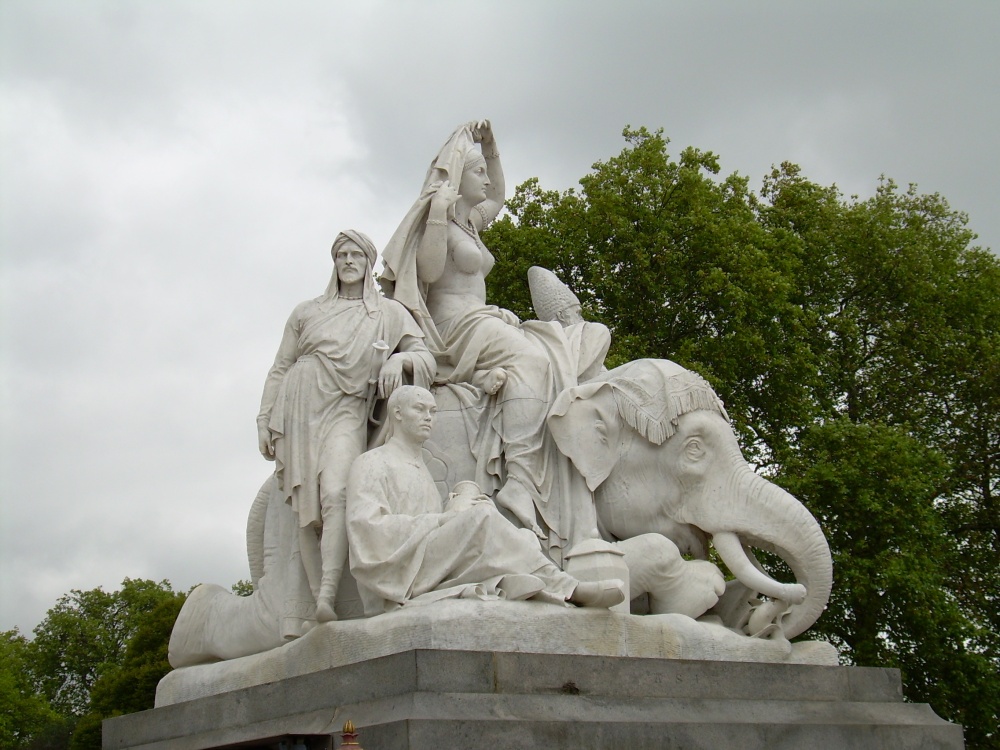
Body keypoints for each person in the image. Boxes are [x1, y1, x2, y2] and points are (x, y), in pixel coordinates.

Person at [380, 121, 552, 540]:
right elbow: (430, 271)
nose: (486, 178)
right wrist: (438, 213)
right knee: (533, 358)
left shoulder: (472, 221)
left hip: (481, 319)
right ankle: (521, 482)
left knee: (554, 345)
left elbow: (499, 196)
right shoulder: (438, 224)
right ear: (459, 178)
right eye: (478, 171)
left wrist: (490, 147)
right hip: (453, 326)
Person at [258, 230, 435, 623]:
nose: (349, 261)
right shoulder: (307, 311)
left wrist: (398, 362)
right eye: (342, 255)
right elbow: (280, 367)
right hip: (299, 404)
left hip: (347, 408)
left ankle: (327, 590)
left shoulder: (389, 313)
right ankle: (320, 602)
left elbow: (425, 356)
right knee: (304, 502)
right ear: (334, 262)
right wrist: (264, 419)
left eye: (356, 254)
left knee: (337, 493)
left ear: (369, 263)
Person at [345, 386, 625, 615]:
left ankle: (551, 587)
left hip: (426, 562)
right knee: (481, 519)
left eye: (433, 411)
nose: (429, 417)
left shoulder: (421, 470)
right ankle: (568, 587)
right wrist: (444, 519)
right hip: (398, 573)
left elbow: (436, 529)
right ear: (397, 414)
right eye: (419, 409)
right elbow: (367, 532)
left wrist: (457, 505)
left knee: (518, 534)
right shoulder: (371, 462)